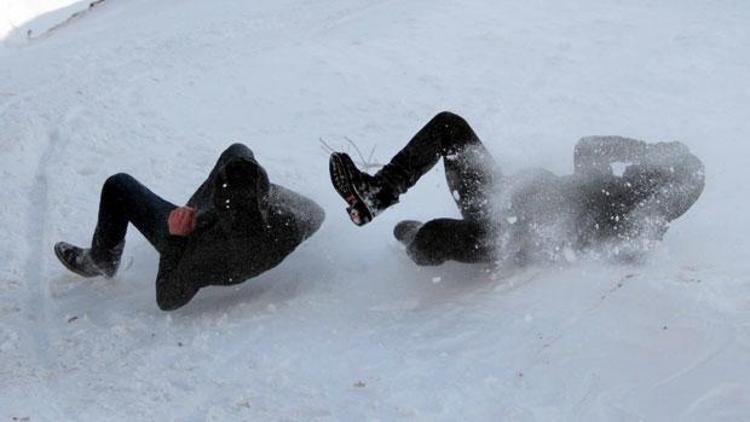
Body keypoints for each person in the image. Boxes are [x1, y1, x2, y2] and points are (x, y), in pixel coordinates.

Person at [329, 111, 704, 266]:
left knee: (431, 236)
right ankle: (378, 193)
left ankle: (415, 236)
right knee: (449, 126)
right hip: (500, 196)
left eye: (654, 170)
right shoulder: (605, 180)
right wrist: (651, 148)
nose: (641, 169)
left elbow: (639, 240)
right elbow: (588, 145)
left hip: (511, 235)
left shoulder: (638, 215)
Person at [55, 143, 325, 310]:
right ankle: (247, 187)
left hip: (189, 237)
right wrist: (260, 194)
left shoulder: (205, 254)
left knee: (118, 185)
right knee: (237, 152)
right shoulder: (284, 224)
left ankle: (101, 260)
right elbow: (317, 214)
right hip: (231, 219)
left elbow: (167, 300)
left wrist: (176, 237)